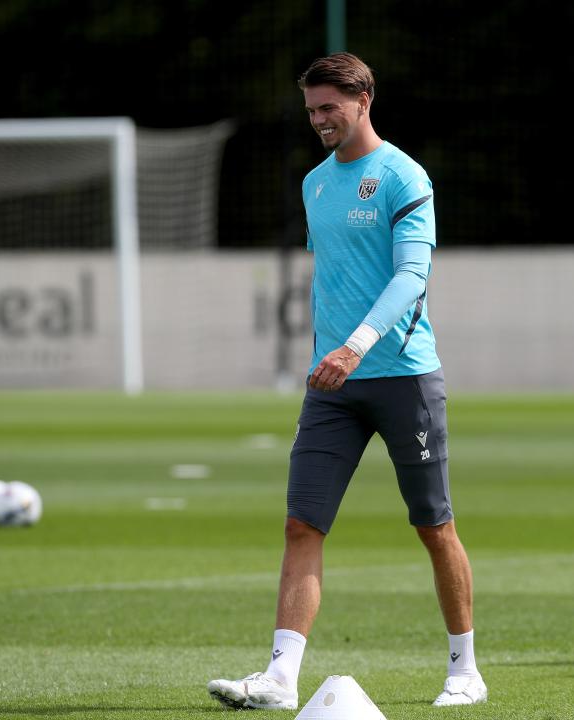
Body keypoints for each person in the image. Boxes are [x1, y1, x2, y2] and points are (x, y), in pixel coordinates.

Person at [207, 51, 486, 710]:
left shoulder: (403, 177)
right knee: (302, 525)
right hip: (331, 385)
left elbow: (410, 279)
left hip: (403, 378)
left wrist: (357, 346)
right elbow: (336, 280)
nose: (319, 120)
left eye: (329, 107)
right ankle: (279, 678)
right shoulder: (315, 184)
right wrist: (331, 355)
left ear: (363, 101)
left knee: (433, 526)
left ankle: (464, 668)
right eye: (311, 110)